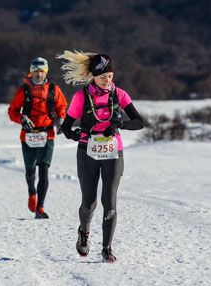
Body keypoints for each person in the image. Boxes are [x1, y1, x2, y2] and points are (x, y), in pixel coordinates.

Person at [57, 51, 144, 263]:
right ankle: (84, 233)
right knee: (89, 202)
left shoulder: (120, 94)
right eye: (103, 76)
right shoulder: (81, 96)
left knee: (110, 201)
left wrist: (121, 124)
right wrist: (73, 134)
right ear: (93, 76)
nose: (108, 80)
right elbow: (66, 127)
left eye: (110, 75)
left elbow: (139, 122)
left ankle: (106, 248)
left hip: (114, 152)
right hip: (87, 151)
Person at [7, 57, 68, 219]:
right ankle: (31, 192)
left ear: (46, 71)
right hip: (28, 135)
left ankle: (40, 208)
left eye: (42, 71)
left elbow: (62, 106)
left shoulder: (54, 89)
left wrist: (61, 119)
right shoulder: (23, 90)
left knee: (44, 170)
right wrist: (21, 119)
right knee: (30, 171)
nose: (39, 74)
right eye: (36, 71)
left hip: (47, 134)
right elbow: (12, 111)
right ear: (31, 71)